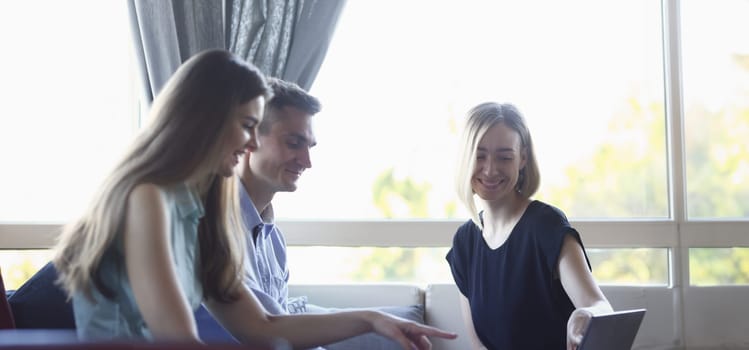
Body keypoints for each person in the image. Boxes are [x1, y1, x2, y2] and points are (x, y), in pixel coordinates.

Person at [51, 49, 456, 349]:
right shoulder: (147, 198)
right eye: (246, 126)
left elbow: (262, 327)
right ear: (206, 121)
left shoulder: (199, 213)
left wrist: (372, 320)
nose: (249, 143)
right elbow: (176, 339)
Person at [445, 102, 613, 350]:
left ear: (522, 158)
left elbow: (601, 308)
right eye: (479, 156)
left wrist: (585, 316)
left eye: (504, 157)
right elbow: (479, 345)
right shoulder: (464, 243)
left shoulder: (546, 226)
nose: (490, 169)